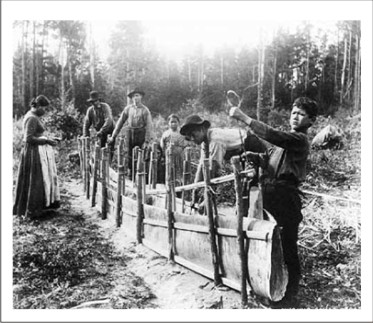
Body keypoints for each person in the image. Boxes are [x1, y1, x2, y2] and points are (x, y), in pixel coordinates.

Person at [229, 96, 318, 308]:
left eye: (301, 114)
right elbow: (270, 161)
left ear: (311, 121)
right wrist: (255, 157)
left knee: (287, 245)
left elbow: (273, 135)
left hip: (286, 197)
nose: (295, 117)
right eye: (294, 112)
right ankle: (266, 284)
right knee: (266, 240)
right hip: (270, 194)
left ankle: (290, 295)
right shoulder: (280, 146)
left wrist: (244, 118)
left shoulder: (299, 140)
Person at [179, 114, 265, 207]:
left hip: (252, 146)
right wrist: (195, 190)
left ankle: (255, 209)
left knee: (253, 183)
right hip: (240, 153)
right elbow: (202, 166)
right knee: (244, 183)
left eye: (193, 135)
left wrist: (207, 197)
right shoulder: (205, 142)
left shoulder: (216, 140)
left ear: (203, 129)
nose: (192, 139)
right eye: (188, 137)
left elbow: (213, 169)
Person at [13, 95, 61, 219]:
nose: (45, 111)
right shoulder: (32, 118)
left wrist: (49, 138)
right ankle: (32, 210)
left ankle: (40, 207)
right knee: (36, 180)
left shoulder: (35, 116)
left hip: (37, 151)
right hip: (33, 153)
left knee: (40, 179)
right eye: (44, 108)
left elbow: (37, 133)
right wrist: (45, 140)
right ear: (38, 106)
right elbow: (28, 138)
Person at [108, 88, 153, 176]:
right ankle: (130, 174)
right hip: (130, 133)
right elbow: (120, 122)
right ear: (132, 98)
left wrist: (147, 141)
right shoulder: (128, 109)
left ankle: (140, 176)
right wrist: (113, 136)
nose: (135, 98)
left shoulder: (145, 110)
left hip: (141, 134)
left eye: (137, 96)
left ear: (141, 97)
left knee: (141, 154)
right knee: (129, 155)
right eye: (133, 96)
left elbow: (149, 126)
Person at [160, 114, 188, 186]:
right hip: (169, 156)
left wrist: (179, 146)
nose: (173, 124)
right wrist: (166, 151)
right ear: (168, 123)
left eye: (175, 122)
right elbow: (162, 145)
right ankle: (169, 186)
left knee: (179, 172)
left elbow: (186, 143)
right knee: (170, 172)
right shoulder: (166, 134)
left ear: (178, 123)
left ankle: (180, 187)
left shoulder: (182, 133)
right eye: (171, 122)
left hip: (180, 156)